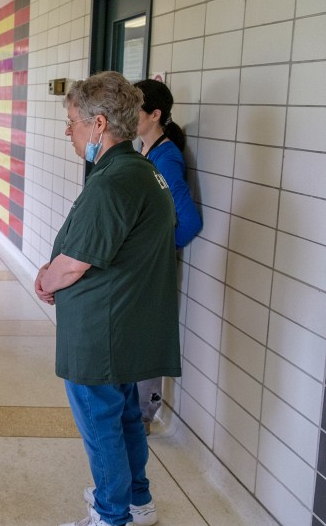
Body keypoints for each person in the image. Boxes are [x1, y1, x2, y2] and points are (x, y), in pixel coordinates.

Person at [33, 72, 178, 526]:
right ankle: (137, 499)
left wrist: (46, 280)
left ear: (99, 125)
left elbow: (76, 262)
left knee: (102, 425)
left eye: (73, 121)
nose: (68, 131)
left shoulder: (114, 180)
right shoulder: (142, 170)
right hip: (127, 323)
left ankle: (112, 514)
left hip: (103, 331)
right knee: (126, 417)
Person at [133, 79, 203, 434]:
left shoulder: (166, 156)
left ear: (155, 115)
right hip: (140, 266)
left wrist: (156, 250)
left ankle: (144, 416)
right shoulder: (143, 150)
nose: (130, 116)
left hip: (153, 268)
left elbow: (189, 221)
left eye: (137, 109)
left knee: (146, 340)